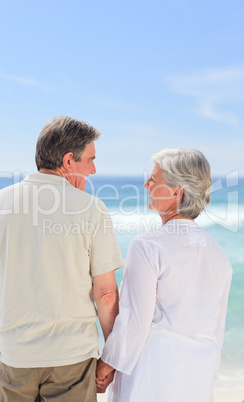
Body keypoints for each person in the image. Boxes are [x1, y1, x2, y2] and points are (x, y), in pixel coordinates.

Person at [0, 116, 123, 402]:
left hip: (14, 358)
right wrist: (111, 357)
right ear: (69, 161)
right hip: (73, 361)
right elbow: (105, 294)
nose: (93, 170)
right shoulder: (92, 209)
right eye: (90, 160)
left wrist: (2, 337)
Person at [96, 148, 232, 402]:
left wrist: (107, 364)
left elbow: (136, 321)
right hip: (197, 377)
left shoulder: (148, 246)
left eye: (154, 179)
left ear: (176, 191)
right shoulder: (218, 254)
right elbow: (217, 328)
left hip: (152, 374)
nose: (146, 183)